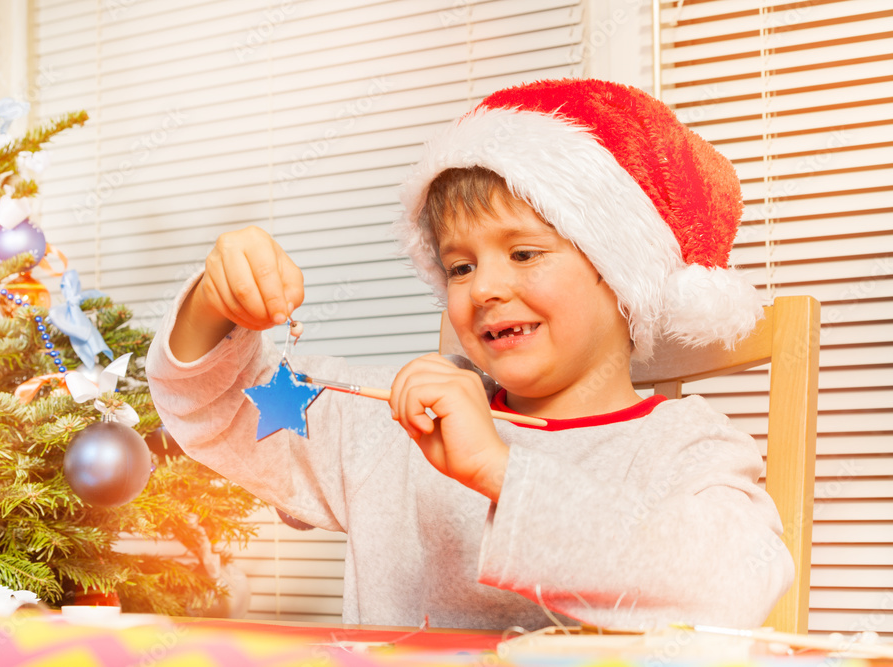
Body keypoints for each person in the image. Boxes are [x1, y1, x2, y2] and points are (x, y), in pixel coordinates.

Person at [146, 78, 793, 631]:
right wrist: (216, 299)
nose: (483, 287)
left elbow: (731, 588)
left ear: (621, 274)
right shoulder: (391, 424)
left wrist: (498, 469)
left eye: (524, 253)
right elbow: (214, 409)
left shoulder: (690, 448)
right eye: (459, 265)